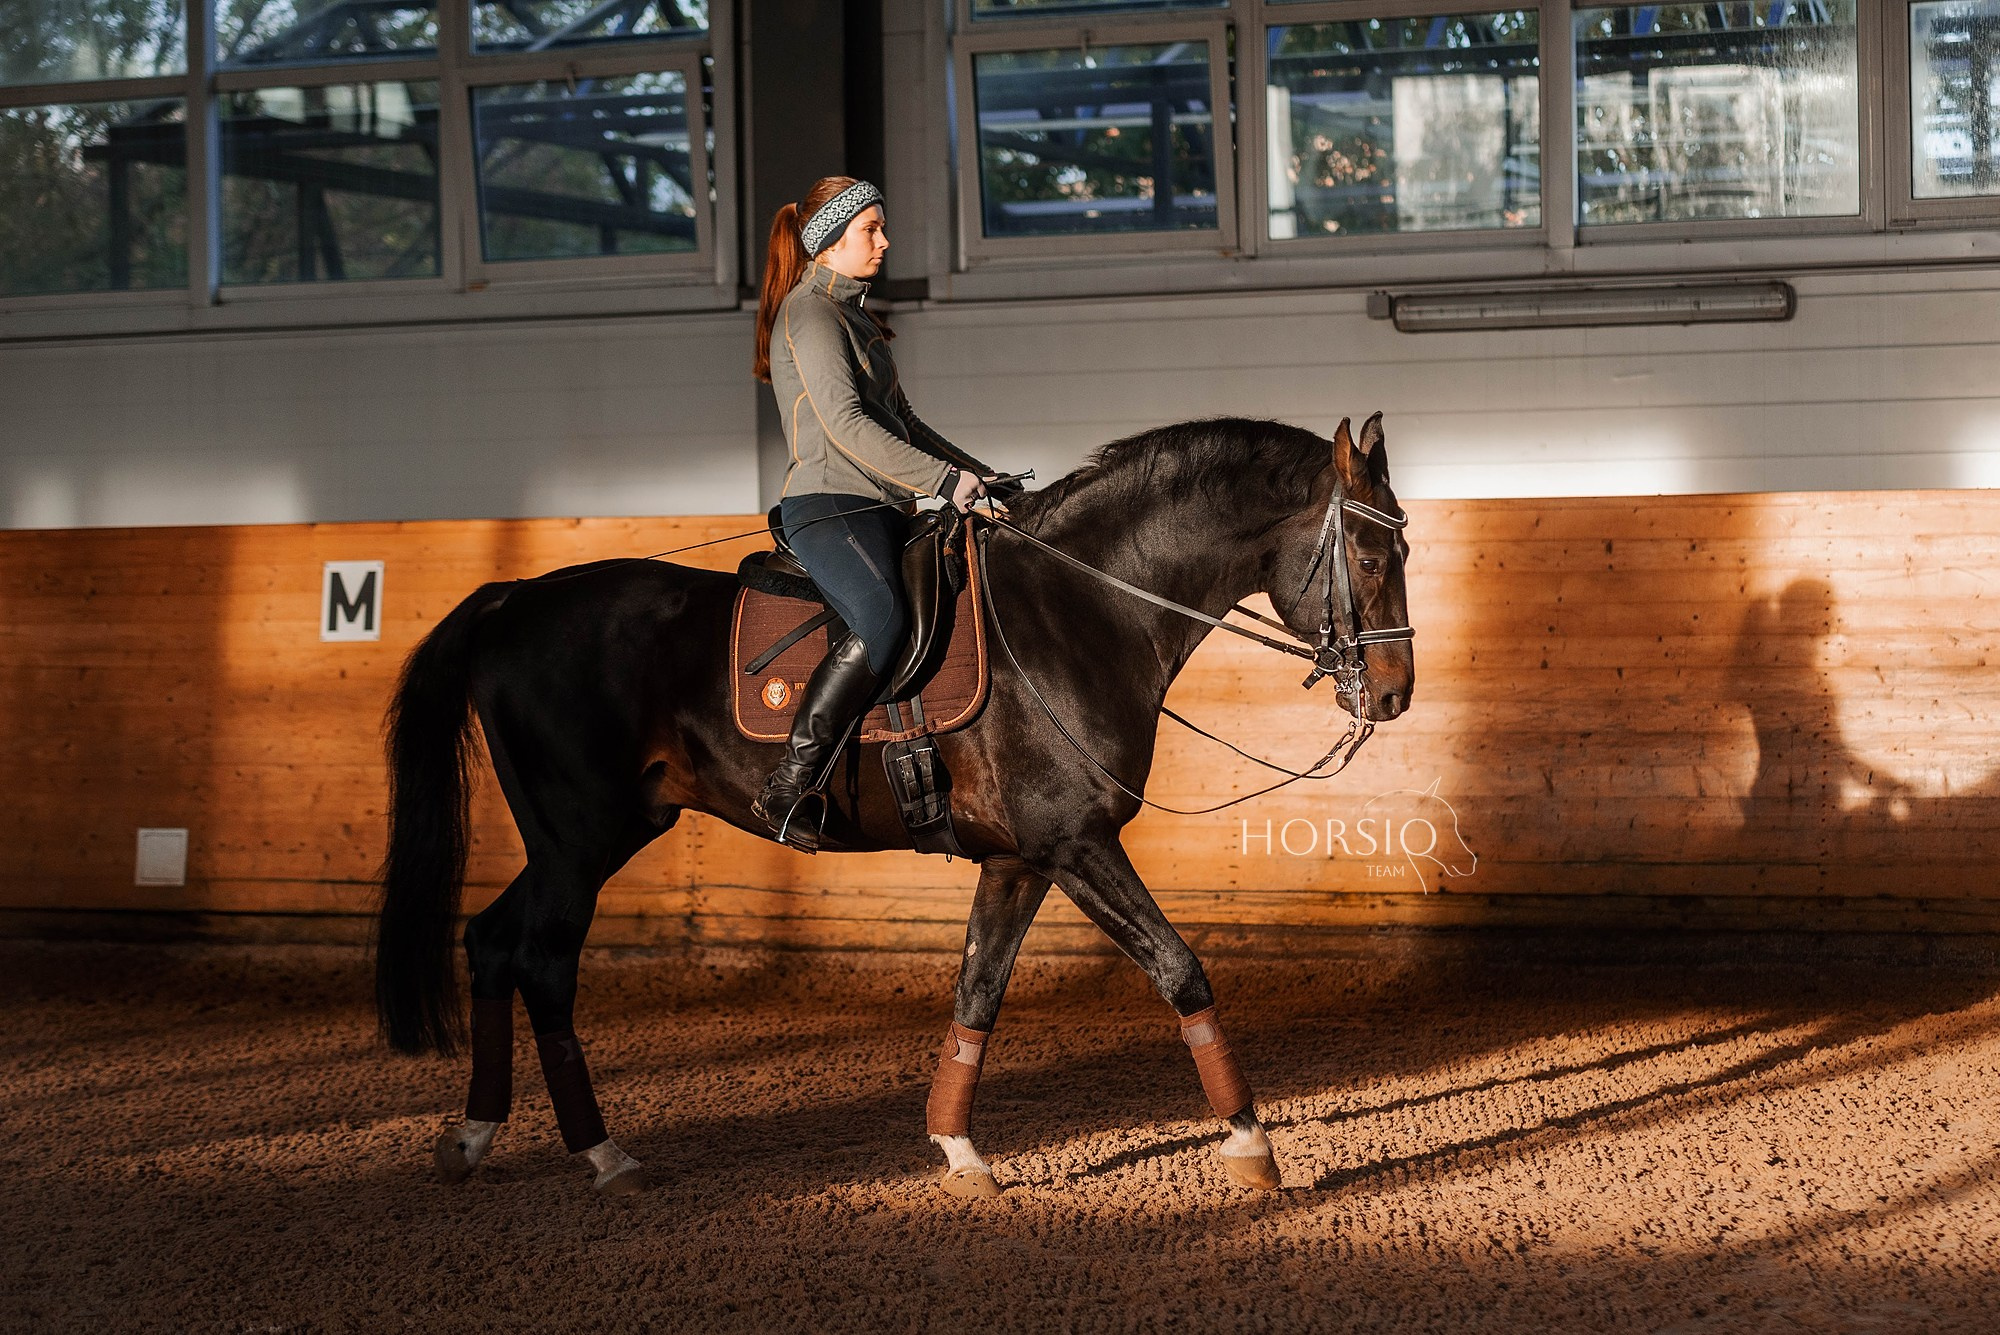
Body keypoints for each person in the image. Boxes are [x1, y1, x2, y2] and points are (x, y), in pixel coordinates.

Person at [749, 176, 1012, 850]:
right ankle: (789, 784)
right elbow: (845, 428)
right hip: (829, 504)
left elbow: (904, 423)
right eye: (871, 229)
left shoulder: (858, 316)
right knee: (883, 614)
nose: (885, 241)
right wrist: (944, 482)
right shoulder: (809, 313)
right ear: (828, 241)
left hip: (881, 504)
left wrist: (975, 477)